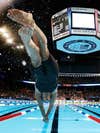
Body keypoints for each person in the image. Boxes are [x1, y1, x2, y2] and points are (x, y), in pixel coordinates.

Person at [7, 9, 59, 122]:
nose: (45, 98)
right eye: (47, 99)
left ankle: (26, 39)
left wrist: (43, 115)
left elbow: (41, 105)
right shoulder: (54, 93)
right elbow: (50, 106)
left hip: (39, 74)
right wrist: (47, 114)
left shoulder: (38, 92)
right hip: (52, 72)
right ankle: (31, 24)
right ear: (49, 97)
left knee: (35, 59)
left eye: (44, 99)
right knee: (44, 50)